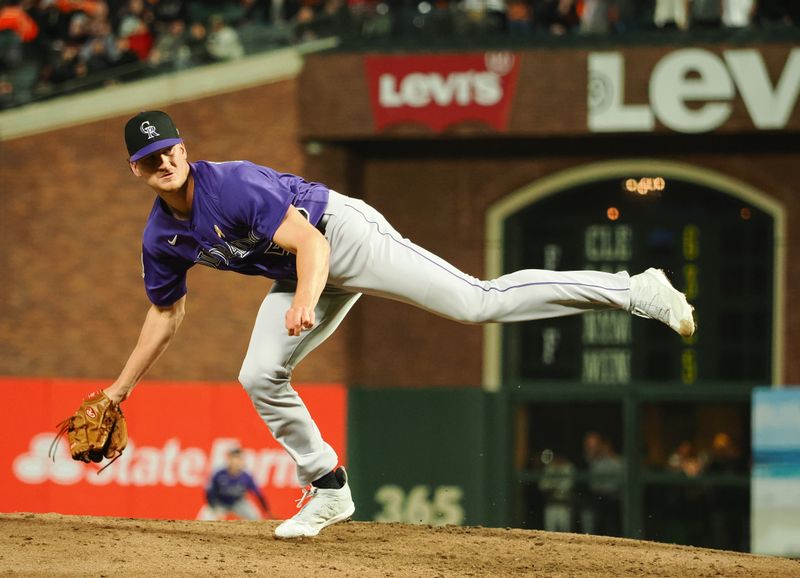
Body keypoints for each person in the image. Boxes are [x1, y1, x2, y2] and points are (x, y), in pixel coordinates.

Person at [102, 110, 694, 539]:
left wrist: (307, 297)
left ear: (184, 148)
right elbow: (165, 312)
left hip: (342, 237)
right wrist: (117, 390)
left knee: (475, 303)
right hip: (300, 276)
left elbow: (308, 241)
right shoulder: (162, 237)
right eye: (150, 158)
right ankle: (329, 490)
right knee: (259, 374)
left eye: (171, 149)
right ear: (135, 170)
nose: (165, 161)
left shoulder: (228, 185)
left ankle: (632, 289)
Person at [202, 447, 272, 521]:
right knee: (205, 518)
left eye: (239, 458)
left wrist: (267, 511)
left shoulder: (246, 477)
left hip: (238, 502)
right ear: (229, 460)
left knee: (256, 518)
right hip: (220, 502)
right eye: (234, 458)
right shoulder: (219, 474)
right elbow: (209, 493)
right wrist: (215, 508)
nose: (237, 461)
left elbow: (258, 495)